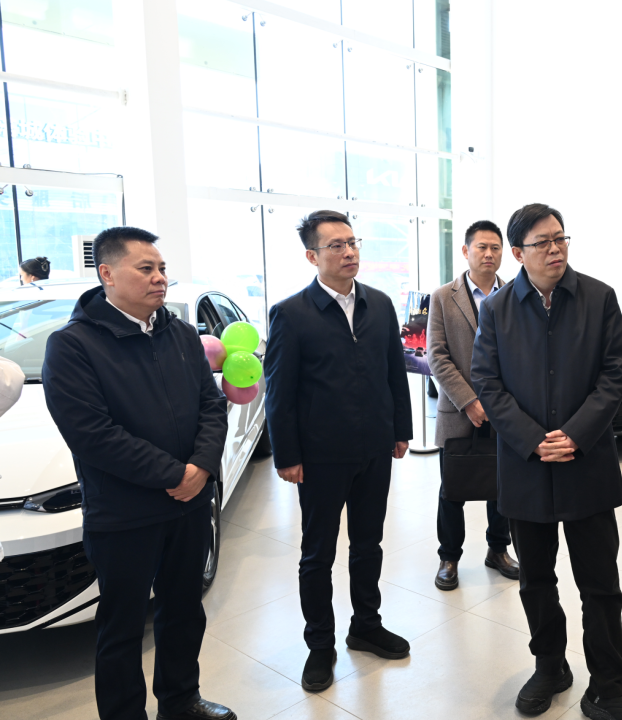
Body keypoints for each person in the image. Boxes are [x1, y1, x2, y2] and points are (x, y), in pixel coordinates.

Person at [42, 227, 232, 720]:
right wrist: (174, 474)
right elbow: (92, 434)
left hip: (190, 505)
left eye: (162, 268)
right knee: (123, 626)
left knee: (184, 610)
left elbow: (212, 406)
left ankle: (180, 699)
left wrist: (201, 468)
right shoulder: (73, 345)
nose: (159, 278)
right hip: (124, 513)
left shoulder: (181, 334)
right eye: (145, 269)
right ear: (107, 274)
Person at [473, 204, 622, 720]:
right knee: (535, 580)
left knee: (600, 583)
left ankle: (608, 686)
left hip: (586, 463)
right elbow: (487, 380)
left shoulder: (598, 297)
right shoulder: (498, 308)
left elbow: (614, 372)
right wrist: (533, 438)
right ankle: (549, 665)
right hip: (526, 466)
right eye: (542, 242)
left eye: (560, 238)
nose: (555, 249)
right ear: (517, 253)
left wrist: (574, 434)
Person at [263, 210, 413, 693]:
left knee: (368, 544)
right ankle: (319, 645)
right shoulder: (291, 313)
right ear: (312, 256)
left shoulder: (380, 304)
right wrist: (287, 454)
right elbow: (279, 392)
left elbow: (394, 372)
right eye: (336, 246)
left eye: (352, 242)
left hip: (374, 448)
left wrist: (401, 429)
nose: (349, 252)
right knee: (318, 555)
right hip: (320, 457)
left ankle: (365, 625)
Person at [427, 219, 519, 591]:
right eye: (482, 246)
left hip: (507, 411)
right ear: (466, 251)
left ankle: (498, 550)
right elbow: (437, 356)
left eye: (496, 247)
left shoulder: (516, 294)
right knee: (453, 488)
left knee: (504, 486)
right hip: (458, 412)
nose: (489, 254)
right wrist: (468, 401)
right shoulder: (443, 297)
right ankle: (449, 557)